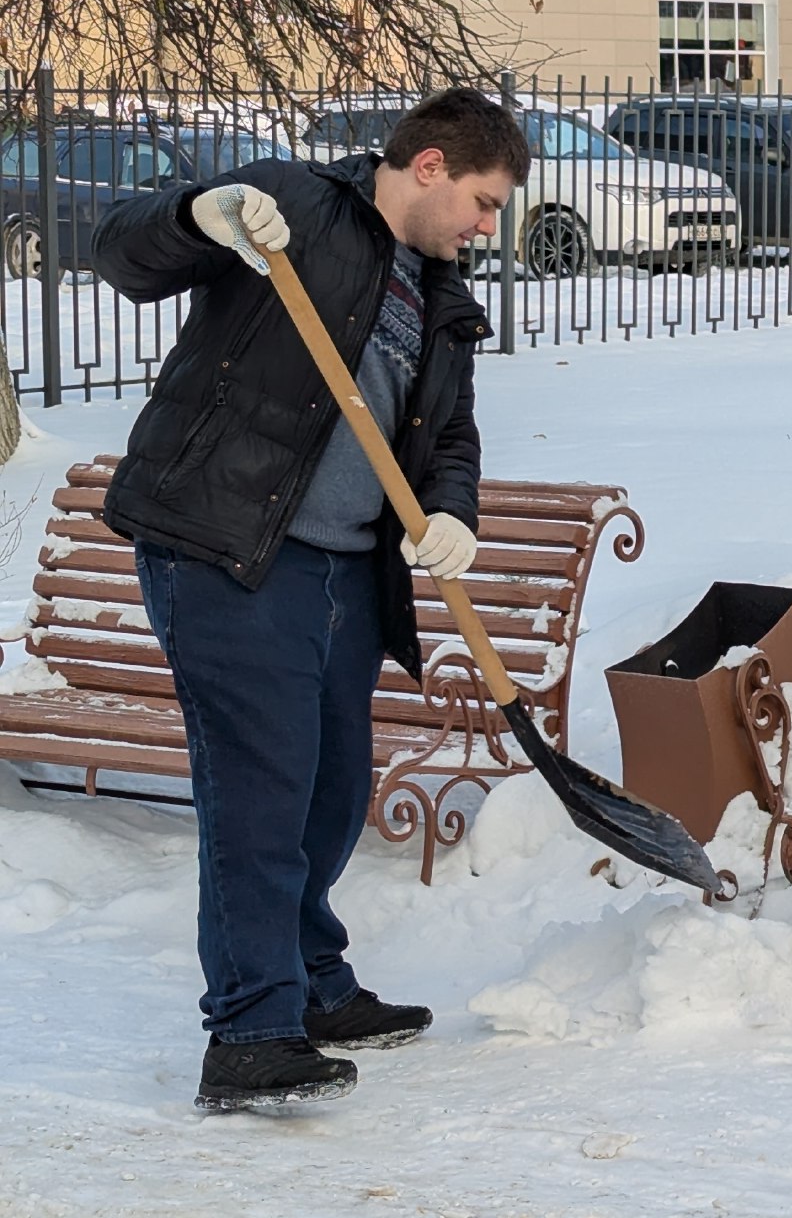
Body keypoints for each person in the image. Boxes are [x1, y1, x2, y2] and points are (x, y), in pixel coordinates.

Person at [92, 90, 529, 1113]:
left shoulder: (441, 287)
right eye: (481, 199)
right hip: (231, 551)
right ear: (426, 166)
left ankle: (313, 983)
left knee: (332, 791)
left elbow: (449, 431)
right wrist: (202, 213)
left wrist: (449, 507)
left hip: (346, 570)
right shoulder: (292, 208)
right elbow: (121, 252)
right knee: (261, 789)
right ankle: (252, 1028)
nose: (486, 224)